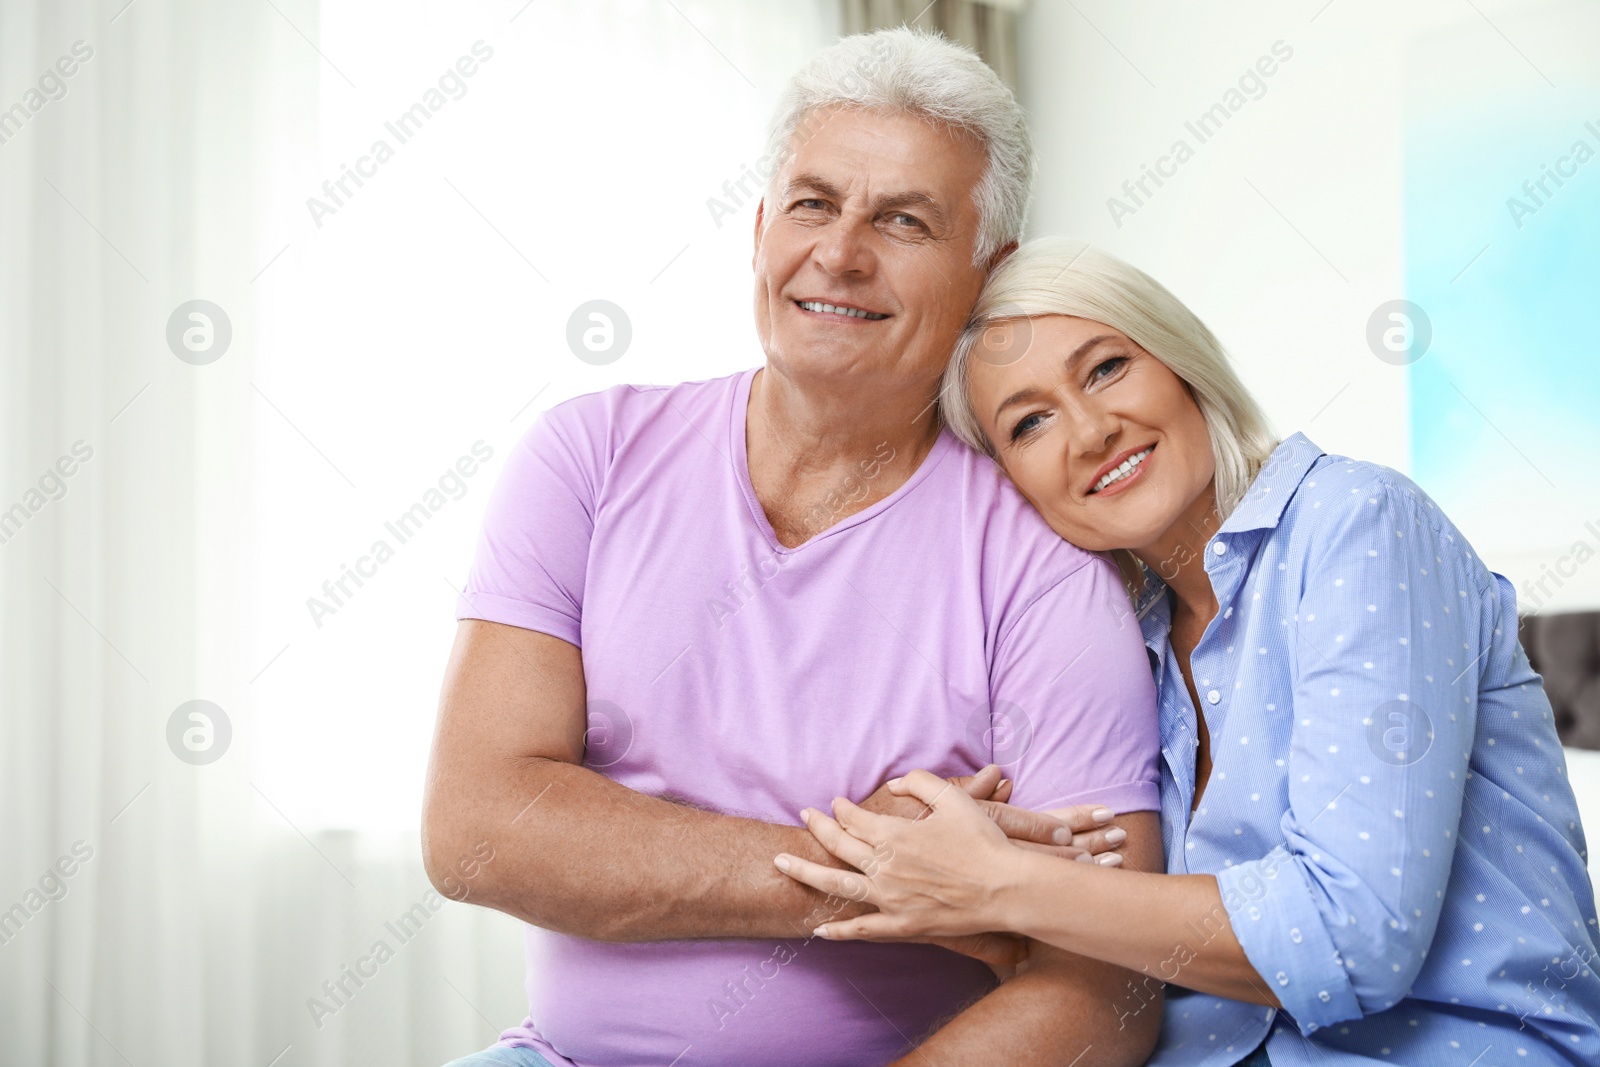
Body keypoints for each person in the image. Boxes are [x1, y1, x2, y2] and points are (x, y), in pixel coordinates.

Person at [424, 33, 1166, 1067]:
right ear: (763, 224)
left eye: (903, 220)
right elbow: (478, 830)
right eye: (814, 203)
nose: (842, 252)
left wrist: (618, 834)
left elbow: (1103, 988)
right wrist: (900, 872)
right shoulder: (586, 457)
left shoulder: (1042, 562)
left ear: (984, 273)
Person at [775, 237, 1600, 1065]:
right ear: (1012, 484)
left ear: (1180, 363)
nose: (1092, 430)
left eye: (1105, 368)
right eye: (1031, 422)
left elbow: (1357, 934)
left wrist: (1004, 883)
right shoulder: (1128, 648)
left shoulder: (1357, 523)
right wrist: (997, 911)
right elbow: (1140, 943)